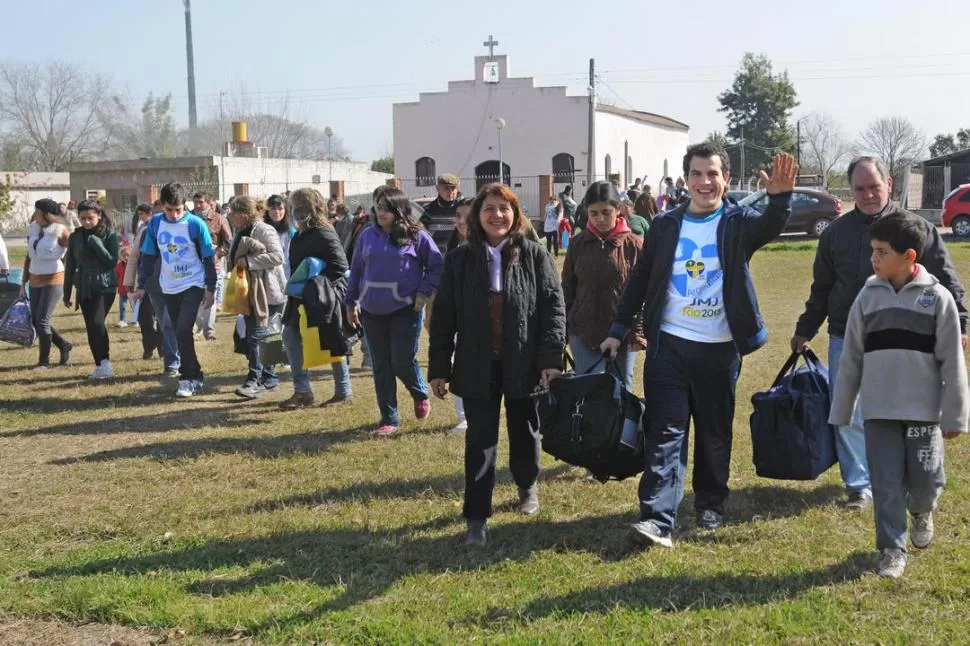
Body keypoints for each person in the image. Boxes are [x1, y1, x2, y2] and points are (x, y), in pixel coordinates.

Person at [601, 145, 797, 548]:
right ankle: (657, 518)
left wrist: (780, 199)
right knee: (664, 431)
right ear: (685, 179)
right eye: (696, 173)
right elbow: (639, 279)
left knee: (713, 432)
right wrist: (618, 328)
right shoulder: (666, 225)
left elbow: (772, 225)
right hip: (668, 346)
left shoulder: (738, 222)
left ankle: (710, 503)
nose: (704, 182)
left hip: (720, 349)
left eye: (712, 174)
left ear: (725, 178)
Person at [791, 156, 967, 511]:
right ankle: (859, 485)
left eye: (874, 186)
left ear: (888, 184)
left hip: (909, 338)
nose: (869, 194)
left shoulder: (917, 228)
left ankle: (910, 476)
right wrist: (805, 329)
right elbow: (822, 287)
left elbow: (947, 280)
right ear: (851, 190)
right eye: (860, 188)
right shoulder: (836, 234)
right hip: (846, 335)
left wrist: (961, 323)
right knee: (850, 410)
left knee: (909, 409)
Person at [829, 211, 968, 579]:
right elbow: (851, 359)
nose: (873, 259)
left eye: (881, 252)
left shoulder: (937, 299)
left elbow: (953, 362)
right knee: (886, 484)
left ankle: (923, 511)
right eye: (872, 250)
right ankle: (892, 548)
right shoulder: (867, 297)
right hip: (879, 412)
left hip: (924, 414)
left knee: (925, 480)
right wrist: (842, 409)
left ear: (909, 257)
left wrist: (955, 416)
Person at [429, 183, 566, 546]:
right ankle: (477, 516)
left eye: (504, 209)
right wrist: (439, 367)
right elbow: (443, 317)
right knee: (480, 440)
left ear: (515, 215)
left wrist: (551, 358)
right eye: (490, 208)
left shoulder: (535, 256)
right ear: (477, 216)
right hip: (476, 364)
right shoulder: (459, 260)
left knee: (525, 431)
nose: (497, 215)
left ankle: (527, 487)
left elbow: (554, 308)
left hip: (524, 362)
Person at [346, 187, 444, 435]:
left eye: (387, 208)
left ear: (399, 210)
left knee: (401, 361)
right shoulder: (367, 236)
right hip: (371, 311)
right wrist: (351, 302)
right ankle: (389, 418)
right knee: (381, 366)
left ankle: (419, 391)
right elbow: (356, 270)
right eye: (378, 207)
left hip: (406, 309)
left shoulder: (417, 236)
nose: (381, 213)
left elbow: (436, 266)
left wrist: (423, 293)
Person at [134, 182, 217, 398]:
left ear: (185, 205)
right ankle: (196, 375)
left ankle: (186, 378)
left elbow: (208, 257)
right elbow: (149, 257)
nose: (173, 214)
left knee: (181, 329)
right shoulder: (154, 225)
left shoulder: (195, 224)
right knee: (177, 331)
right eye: (169, 210)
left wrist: (210, 287)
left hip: (193, 282)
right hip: (168, 286)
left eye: (178, 209)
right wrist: (141, 286)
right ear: (162, 206)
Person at [278, 188, 355, 410]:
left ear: (303, 208)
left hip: (323, 297)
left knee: (332, 339)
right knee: (291, 337)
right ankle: (303, 392)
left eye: (293, 207)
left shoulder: (324, 232)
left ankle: (343, 391)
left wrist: (315, 277)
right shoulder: (300, 233)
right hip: (301, 297)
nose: (290, 211)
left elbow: (341, 268)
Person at [563, 182, 643, 391]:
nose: (600, 219)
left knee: (621, 393)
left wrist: (636, 332)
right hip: (582, 332)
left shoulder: (634, 245)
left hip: (623, 333)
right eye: (594, 213)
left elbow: (644, 293)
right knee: (587, 394)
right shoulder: (577, 244)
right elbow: (567, 288)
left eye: (606, 212)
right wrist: (566, 325)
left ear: (618, 210)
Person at [226, 196, 288, 399]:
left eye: (232, 213)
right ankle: (269, 379)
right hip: (249, 291)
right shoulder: (240, 230)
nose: (230, 217)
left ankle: (254, 379)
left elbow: (277, 257)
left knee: (259, 337)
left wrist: (249, 261)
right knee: (263, 336)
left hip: (268, 291)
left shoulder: (264, 229)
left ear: (242, 214)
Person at [428, 196, 474, 434]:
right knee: (461, 364)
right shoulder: (454, 248)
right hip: (459, 319)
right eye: (458, 216)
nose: (462, 221)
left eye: (467, 215)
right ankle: (464, 416)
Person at [63, 200, 120, 379]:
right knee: (91, 327)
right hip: (84, 286)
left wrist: (97, 243)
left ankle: (105, 362)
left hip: (105, 285)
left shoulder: (110, 235)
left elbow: (111, 262)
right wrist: (66, 292)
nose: (86, 222)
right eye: (82, 218)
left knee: (97, 323)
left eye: (90, 218)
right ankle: (100, 364)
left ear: (99, 215)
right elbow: (70, 265)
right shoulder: (75, 237)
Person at [21, 199, 73, 368]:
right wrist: (23, 283)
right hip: (35, 279)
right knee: (36, 320)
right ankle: (64, 344)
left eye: (37, 211)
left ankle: (44, 362)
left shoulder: (61, 230)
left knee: (42, 320)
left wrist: (67, 272)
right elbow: (29, 257)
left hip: (54, 279)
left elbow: (72, 252)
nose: (34, 214)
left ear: (46, 213)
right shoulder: (34, 230)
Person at [124, 204, 162, 361]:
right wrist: (130, 279)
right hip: (144, 280)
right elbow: (134, 257)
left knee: (162, 318)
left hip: (164, 282)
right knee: (144, 316)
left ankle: (163, 348)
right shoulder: (144, 231)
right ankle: (149, 346)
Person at [192, 191, 232, 340]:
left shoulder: (219, 219)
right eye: (195, 202)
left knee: (211, 293)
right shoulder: (188, 218)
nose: (197, 205)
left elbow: (228, 241)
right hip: (192, 263)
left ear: (209, 203)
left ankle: (209, 330)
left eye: (201, 202)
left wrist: (217, 254)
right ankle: (197, 325)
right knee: (194, 295)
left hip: (212, 262)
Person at [421, 174, 463, 252]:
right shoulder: (428, 211)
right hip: (435, 256)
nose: (450, 192)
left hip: (458, 257)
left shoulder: (463, 209)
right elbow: (422, 236)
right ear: (438, 188)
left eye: (453, 188)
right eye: (446, 188)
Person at [264, 194, 296, 278]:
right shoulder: (262, 230)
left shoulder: (291, 232)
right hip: (267, 273)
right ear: (267, 211)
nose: (276, 212)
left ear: (285, 210)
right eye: (273, 208)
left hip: (287, 274)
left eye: (280, 208)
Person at [114, 246, 130, 327]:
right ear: (120, 256)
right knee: (122, 306)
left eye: (127, 255)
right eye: (124, 255)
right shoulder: (118, 266)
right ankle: (123, 320)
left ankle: (136, 320)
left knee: (135, 307)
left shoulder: (132, 265)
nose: (126, 257)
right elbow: (115, 276)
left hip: (131, 290)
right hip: (122, 290)